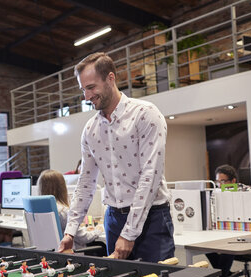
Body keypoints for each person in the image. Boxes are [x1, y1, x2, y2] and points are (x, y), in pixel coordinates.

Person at [58, 52, 174, 263]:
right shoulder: (90, 130)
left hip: (152, 218)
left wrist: (129, 232)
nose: (86, 97)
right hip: (113, 219)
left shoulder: (145, 114)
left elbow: (150, 176)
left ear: (110, 78)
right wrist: (70, 232)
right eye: (83, 90)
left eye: (91, 87)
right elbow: (85, 183)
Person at [207, 164, 251, 277]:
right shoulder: (215, 194)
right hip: (223, 232)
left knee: (228, 250)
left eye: (223, 181)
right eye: (217, 181)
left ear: (233, 181)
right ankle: (224, 273)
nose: (219, 185)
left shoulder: (247, 191)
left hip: (246, 234)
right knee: (204, 247)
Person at [38, 169, 104, 252]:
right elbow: (84, 238)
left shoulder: (39, 209)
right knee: (102, 247)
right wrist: (98, 230)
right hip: (71, 255)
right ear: (61, 188)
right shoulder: (62, 211)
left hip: (48, 254)